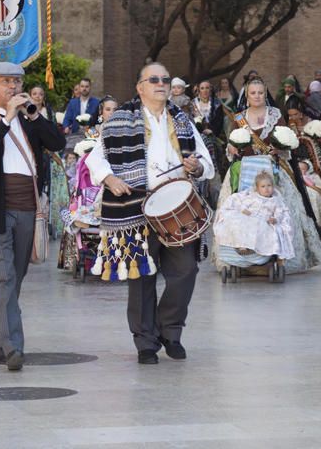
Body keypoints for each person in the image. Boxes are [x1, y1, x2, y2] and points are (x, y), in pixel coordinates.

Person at [85, 62, 214, 365]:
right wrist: (110, 179)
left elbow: (205, 160)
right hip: (135, 207)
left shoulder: (182, 120)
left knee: (186, 271)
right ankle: (145, 341)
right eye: (153, 79)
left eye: (165, 80)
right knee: (141, 275)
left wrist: (197, 166)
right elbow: (95, 159)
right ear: (140, 87)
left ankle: (170, 332)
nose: (161, 84)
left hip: (176, 209)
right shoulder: (119, 120)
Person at [0, 62, 66, 370]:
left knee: (14, 277)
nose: (12, 87)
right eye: (6, 82)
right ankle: (13, 347)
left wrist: (33, 115)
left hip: (27, 207)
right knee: (6, 274)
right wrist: (7, 118)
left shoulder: (30, 120)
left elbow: (58, 143)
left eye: (17, 81)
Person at [214, 78, 321, 275]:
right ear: (247, 97)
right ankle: (240, 256)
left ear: (265, 94)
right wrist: (231, 148)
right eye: (253, 93)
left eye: (260, 93)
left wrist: (279, 150)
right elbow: (231, 144)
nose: (257, 96)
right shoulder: (239, 117)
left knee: (278, 212)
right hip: (245, 172)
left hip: (271, 171)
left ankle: (278, 256)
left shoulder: (275, 115)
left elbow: (286, 144)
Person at [213, 170, 294, 265]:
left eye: (269, 186)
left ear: (273, 186)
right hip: (250, 217)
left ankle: (254, 248)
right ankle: (242, 245)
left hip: (264, 220)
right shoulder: (252, 197)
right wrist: (244, 210)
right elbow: (241, 203)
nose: (267, 189)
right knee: (239, 221)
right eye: (263, 186)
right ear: (257, 188)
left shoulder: (275, 201)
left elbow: (281, 212)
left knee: (261, 228)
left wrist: (275, 218)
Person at [30, 84, 69, 239]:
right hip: (32, 153)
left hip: (46, 153)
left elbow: (53, 134)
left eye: (40, 94)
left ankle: (45, 219)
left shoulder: (48, 112)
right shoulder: (25, 112)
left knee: (45, 185)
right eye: (34, 93)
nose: (38, 96)